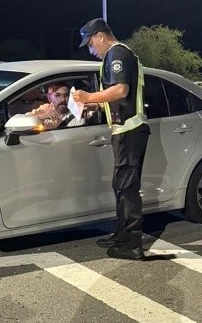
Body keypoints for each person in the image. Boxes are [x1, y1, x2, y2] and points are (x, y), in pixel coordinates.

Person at [72, 18, 149, 260]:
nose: (91, 50)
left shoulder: (118, 53)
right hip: (123, 129)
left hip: (130, 129)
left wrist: (88, 97)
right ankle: (121, 234)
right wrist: (94, 107)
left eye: (91, 44)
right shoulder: (114, 55)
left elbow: (120, 90)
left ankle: (133, 244)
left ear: (101, 36)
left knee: (127, 187)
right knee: (120, 185)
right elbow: (115, 98)